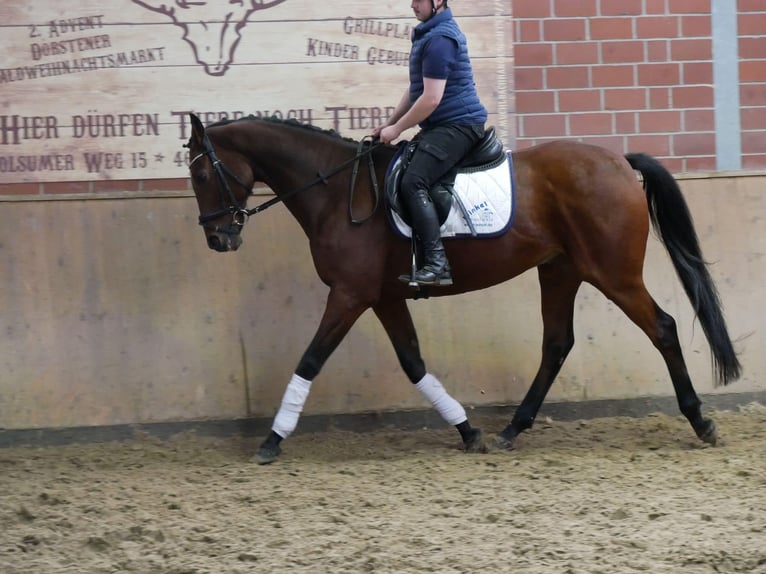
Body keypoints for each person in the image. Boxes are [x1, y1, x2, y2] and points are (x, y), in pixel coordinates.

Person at [372, 0, 487, 287]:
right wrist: (390, 124)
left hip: (459, 125)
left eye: (419, 0)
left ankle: (437, 264)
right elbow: (416, 91)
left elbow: (431, 99)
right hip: (442, 125)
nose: (412, 5)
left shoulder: (440, 40)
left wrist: (398, 128)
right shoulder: (428, 35)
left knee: (413, 182)